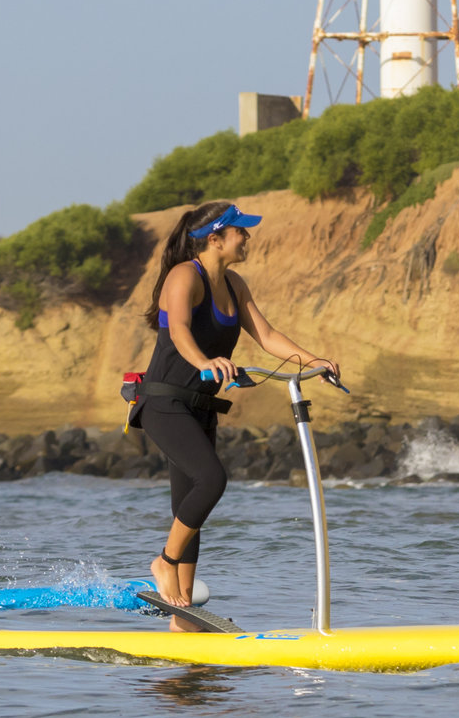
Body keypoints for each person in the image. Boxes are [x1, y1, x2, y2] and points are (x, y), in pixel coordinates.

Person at [137, 201, 337, 630]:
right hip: (165, 403)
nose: (247, 238)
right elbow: (179, 333)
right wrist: (207, 361)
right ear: (215, 238)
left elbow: (265, 335)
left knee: (187, 510)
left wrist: (314, 360)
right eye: (240, 232)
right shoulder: (183, 276)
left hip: (202, 407)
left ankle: (182, 615)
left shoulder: (235, 283)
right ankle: (163, 561)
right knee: (212, 480)